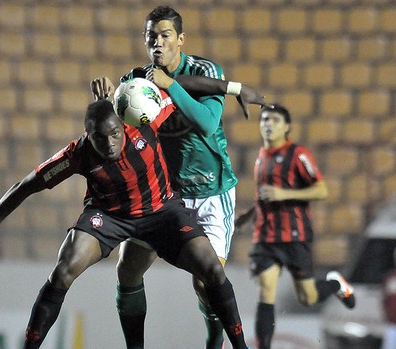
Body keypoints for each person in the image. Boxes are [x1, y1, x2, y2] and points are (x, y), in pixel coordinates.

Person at [0, 98, 250, 349]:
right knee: (64, 270)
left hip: (162, 213)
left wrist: (231, 89)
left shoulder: (145, 120)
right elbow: (25, 186)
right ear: (87, 135)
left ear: (122, 126)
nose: (109, 143)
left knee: (211, 269)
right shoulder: (78, 154)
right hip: (109, 216)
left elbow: (180, 88)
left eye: (114, 134)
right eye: (99, 137)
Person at [90, 6, 267, 349]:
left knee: (205, 283)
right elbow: (122, 137)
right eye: (151, 36)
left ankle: (214, 344)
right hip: (165, 195)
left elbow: (206, 123)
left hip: (211, 192)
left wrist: (171, 85)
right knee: (127, 269)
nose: (157, 42)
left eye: (165, 35)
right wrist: (109, 103)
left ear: (180, 40)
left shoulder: (205, 71)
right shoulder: (136, 82)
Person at [247, 103, 356, 349]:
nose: (268, 124)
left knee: (309, 298)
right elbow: (264, 195)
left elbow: (321, 189)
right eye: (264, 119)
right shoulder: (261, 156)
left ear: (287, 127)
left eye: (274, 120)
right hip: (265, 236)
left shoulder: (297, 154)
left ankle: (335, 284)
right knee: (266, 289)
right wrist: (246, 216)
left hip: (294, 235)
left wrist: (283, 194)